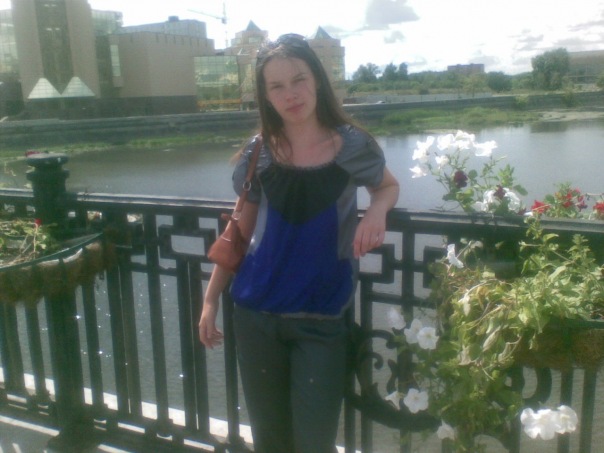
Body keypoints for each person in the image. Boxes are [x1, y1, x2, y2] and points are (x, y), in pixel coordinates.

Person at [199, 33, 399, 453]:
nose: (290, 94)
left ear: (317, 80)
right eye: (276, 86)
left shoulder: (352, 145)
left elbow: (386, 186)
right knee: (270, 442)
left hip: (321, 317)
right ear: (265, 96)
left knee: (314, 443)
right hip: (255, 315)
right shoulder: (259, 152)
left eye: (298, 79)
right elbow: (238, 232)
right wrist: (211, 299)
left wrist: (376, 211)